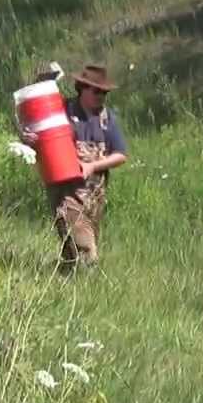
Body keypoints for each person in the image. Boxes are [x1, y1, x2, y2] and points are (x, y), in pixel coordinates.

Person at [20, 63, 129, 273]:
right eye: (96, 91)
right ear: (82, 88)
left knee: (75, 248)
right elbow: (37, 132)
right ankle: (92, 289)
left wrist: (92, 165)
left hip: (94, 195)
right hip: (65, 189)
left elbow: (120, 155)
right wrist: (28, 138)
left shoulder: (107, 120)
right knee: (85, 246)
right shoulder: (61, 110)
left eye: (104, 92)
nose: (101, 96)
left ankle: (65, 278)